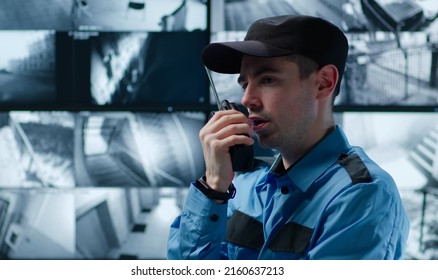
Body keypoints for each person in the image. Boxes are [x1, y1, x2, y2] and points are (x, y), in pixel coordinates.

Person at [167, 15, 410, 260]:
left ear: (324, 83)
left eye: (268, 80)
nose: (246, 99)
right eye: (244, 84)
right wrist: (213, 188)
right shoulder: (240, 185)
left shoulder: (363, 196)